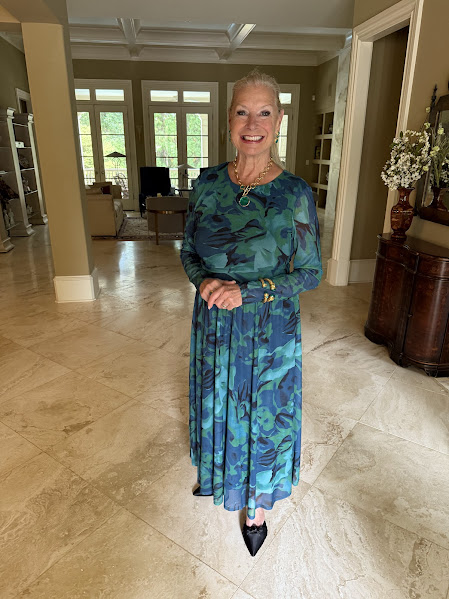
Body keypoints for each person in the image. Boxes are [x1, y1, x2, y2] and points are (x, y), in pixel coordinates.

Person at [180, 69, 322, 556]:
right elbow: (188, 251)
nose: (252, 123)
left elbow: (310, 273)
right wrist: (203, 281)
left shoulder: (294, 194)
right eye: (243, 111)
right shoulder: (207, 184)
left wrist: (250, 292)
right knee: (218, 402)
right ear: (229, 120)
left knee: (261, 417)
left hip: (268, 332)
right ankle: (219, 475)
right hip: (213, 323)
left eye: (264, 112)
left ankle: (257, 505)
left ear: (279, 121)